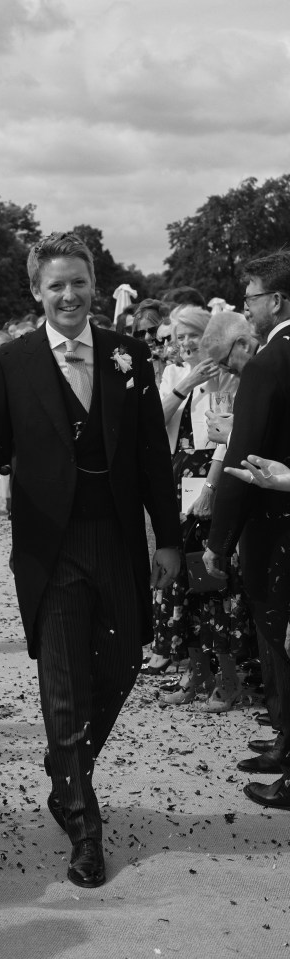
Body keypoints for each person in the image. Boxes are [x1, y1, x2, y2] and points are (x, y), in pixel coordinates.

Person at [0, 232, 180, 888]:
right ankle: (82, 822)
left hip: (119, 535)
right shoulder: (12, 362)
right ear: (36, 292)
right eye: (55, 285)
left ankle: (64, 764)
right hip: (51, 544)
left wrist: (173, 539)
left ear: (93, 285)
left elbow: (154, 456)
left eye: (78, 282)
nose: (68, 295)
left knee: (126, 659)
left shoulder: (130, 356)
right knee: (65, 683)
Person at [204, 251, 290, 811]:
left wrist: (219, 539)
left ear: (276, 301)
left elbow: (243, 457)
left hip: (274, 521)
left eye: (251, 297)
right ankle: (285, 740)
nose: (246, 308)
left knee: (278, 635)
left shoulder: (270, 362)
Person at [148, 307, 250, 712]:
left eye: (191, 335)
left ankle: (227, 679)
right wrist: (186, 383)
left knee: (213, 584)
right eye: (177, 337)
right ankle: (194, 674)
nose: (184, 344)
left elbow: (227, 437)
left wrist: (210, 487)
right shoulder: (176, 377)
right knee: (181, 586)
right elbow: (151, 425)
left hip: (213, 482)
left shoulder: (232, 376)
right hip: (177, 485)